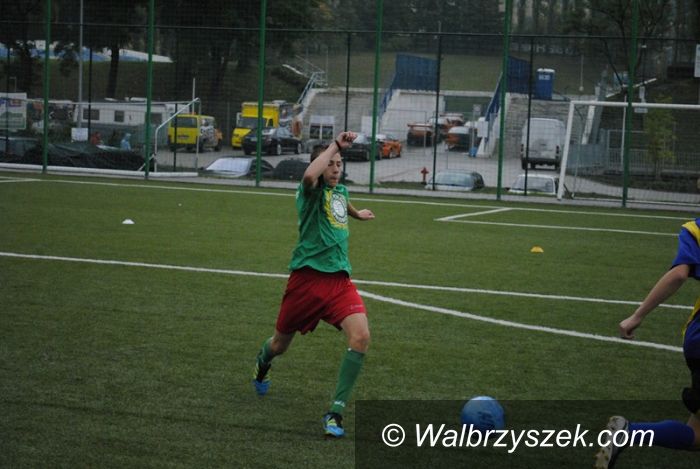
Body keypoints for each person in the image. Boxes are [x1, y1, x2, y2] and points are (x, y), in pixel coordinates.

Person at [251, 131, 375, 438]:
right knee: (279, 345)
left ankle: (335, 413)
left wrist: (357, 214)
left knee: (361, 337)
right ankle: (263, 362)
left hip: (338, 282)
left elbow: (342, 200)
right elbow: (309, 176)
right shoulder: (309, 191)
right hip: (306, 282)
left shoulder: (340, 190)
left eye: (339, 164)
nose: (335, 168)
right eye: (330, 163)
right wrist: (335, 145)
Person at [595, 217, 700, 468]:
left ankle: (628, 433)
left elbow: (679, 274)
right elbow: (678, 275)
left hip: (697, 338)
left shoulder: (695, 228)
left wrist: (638, 315)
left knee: (696, 435)